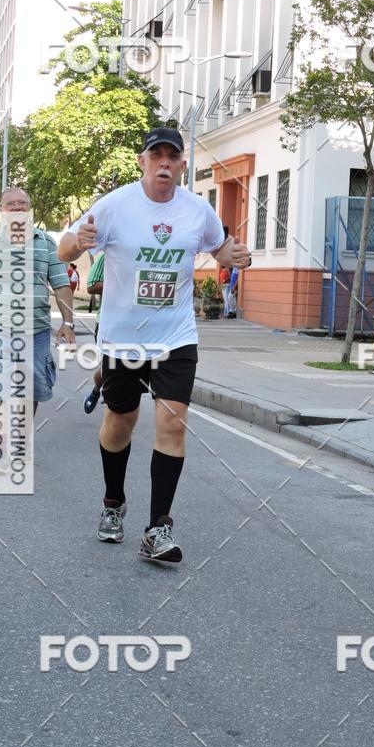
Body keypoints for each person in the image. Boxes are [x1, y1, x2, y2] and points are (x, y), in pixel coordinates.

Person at [58, 127, 251, 563]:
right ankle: (112, 503)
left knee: (172, 423)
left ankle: (157, 529)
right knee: (120, 423)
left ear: (182, 165)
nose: (164, 163)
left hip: (176, 337)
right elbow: (64, 250)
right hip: (124, 337)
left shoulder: (197, 210)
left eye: (172, 157)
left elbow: (219, 249)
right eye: (156, 155)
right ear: (142, 162)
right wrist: (77, 242)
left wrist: (233, 256)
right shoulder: (114, 206)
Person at [0, 188, 76, 414]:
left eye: (22, 203)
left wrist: (68, 323)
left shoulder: (46, 243)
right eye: (10, 204)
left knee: (31, 391)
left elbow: (61, 284)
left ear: (29, 208)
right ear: (2, 211)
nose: (16, 207)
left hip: (37, 332)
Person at [84, 252, 104, 414]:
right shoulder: (107, 257)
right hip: (108, 323)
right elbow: (92, 285)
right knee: (109, 368)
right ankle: (97, 390)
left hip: (143, 326)